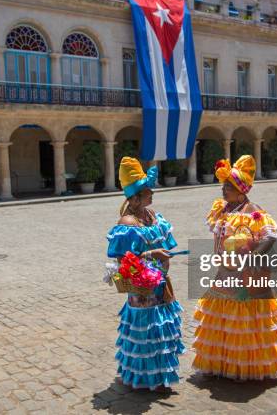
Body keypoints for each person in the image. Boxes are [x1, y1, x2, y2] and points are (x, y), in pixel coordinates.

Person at [192, 155, 277, 380]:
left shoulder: (252, 210)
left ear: (241, 189)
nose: (223, 190)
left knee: (244, 319)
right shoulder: (224, 209)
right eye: (224, 185)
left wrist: (253, 257)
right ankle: (222, 362)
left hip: (246, 274)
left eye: (228, 186)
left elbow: (270, 236)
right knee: (222, 318)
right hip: (225, 272)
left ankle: (246, 365)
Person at [106, 157, 185, 391]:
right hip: (142, 291)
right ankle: (144, 378)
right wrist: (151, 253)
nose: (153, 194)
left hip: (161, 286)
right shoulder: (127, 223)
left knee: (159, 333)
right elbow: (123, 262)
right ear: (136, 196)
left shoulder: (152, 216)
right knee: (146, 334)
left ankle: (158, 376)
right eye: (148, 191)